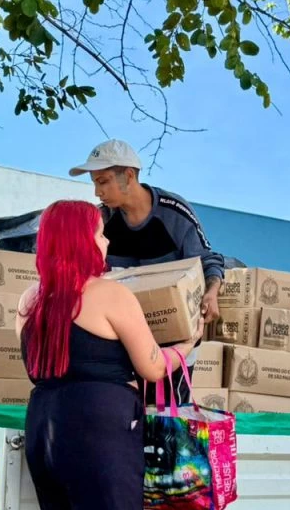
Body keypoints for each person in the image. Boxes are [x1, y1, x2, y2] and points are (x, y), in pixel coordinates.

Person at [17, 200, 203, 510]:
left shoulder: (31, 299)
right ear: (80, 239)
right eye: (99, 234)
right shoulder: (109, 294)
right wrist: (188, 345)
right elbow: (151, 366)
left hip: (45, 425)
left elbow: (39, 364)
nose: (105, 242)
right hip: (100, 428)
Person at [69, 139, 223, 403]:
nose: (97, 192)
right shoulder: (101, 221)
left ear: (128, 177)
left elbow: (209, 260)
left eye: (103, 181)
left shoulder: (175, 214)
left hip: (176, 348)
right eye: (94, 183)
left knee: (167, 426)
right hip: (122, 346)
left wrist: (212, 292)